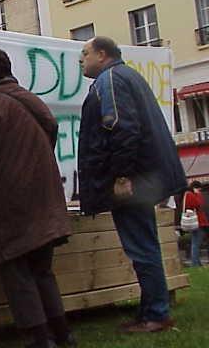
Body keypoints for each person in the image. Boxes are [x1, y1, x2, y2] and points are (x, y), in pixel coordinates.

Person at [0, 47, 74, 348]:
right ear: (9, 69)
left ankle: (39, 339)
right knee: (42, 272)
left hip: (10, 205)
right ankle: (63, 335)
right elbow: (51, 130)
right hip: (46, 199)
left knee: (17, 273)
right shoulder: (33, 101)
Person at [77, 36, 187, 333]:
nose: (81, 60)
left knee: (141, 247)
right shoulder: (128, 76)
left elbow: (122, 129)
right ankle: (151, 309)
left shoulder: (109, 80)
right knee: (145, 245)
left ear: (102, 54)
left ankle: (155, 314)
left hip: (134, 181)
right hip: (146, 177)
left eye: (84, 53)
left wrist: (122, 177)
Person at [183, 181, 208, 267]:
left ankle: (197, 262)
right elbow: (197, 204)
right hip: (198, 222)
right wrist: (198, 195)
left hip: (196, 222)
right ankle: (195, 263)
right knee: (196, 243)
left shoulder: (189, 194)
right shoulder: (190, 195)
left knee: (195, 242)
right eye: (198, 189)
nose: (199, 190)